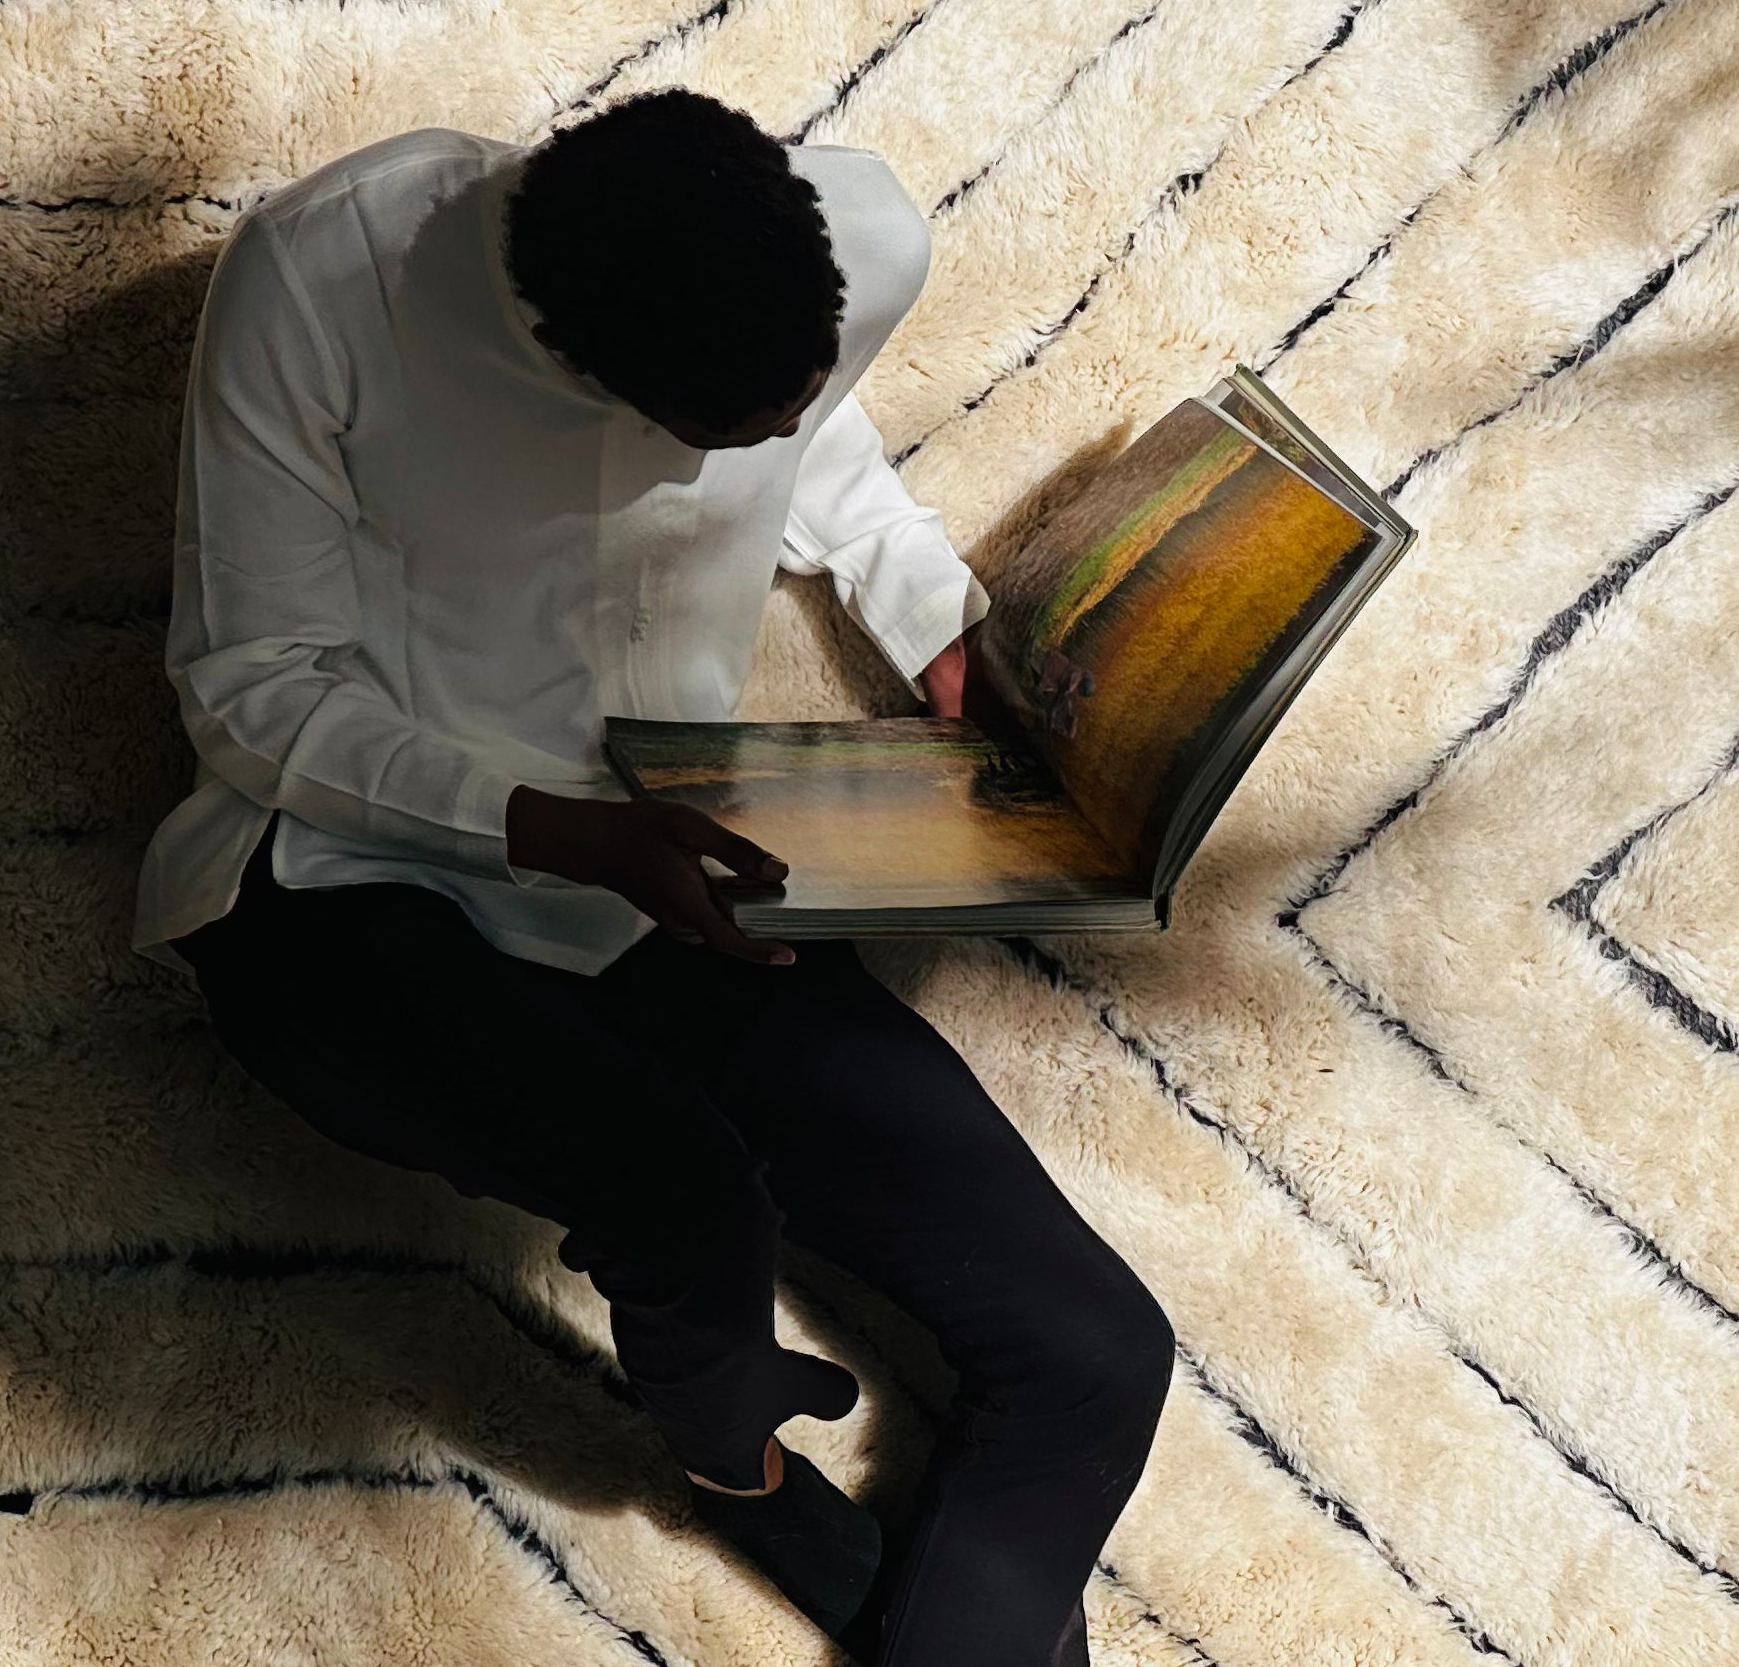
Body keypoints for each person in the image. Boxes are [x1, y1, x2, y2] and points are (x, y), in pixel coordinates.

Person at [128, 90, 1176, 1667]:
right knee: (684, 1193)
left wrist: (935, 620)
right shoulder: (324, 278)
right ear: (580, 361)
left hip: (675, 869)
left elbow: (820, 439)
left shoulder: (857, 235)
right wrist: (561, 829)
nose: (745, 460)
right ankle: (732, 1463)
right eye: (709, 441)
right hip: (345, 892)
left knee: (1098, 1351)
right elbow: (251, 689)